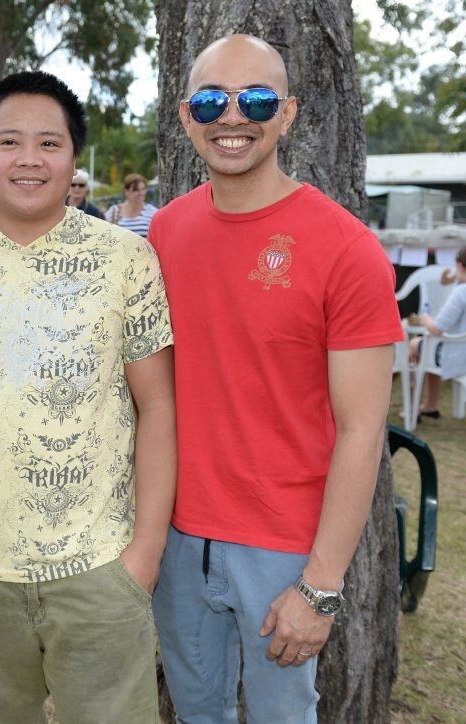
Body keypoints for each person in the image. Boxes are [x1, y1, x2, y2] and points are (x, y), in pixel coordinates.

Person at [0, 71, 176, 723]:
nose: (29, 159)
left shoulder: (125, 259)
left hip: (101, 566)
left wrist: (142, 557)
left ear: (73, 159)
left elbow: (158, 406)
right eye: (10, 141)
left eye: (49, 143)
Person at [148, 34, 404, 722]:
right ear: (185, 116)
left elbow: (360, 430)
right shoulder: (163, 236)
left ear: (287, 114)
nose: (233, 116)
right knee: (197, 714)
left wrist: (320, 587)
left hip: (285, 546)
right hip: (176, 538)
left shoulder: (346, 248)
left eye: (255, 99)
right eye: (211, 100)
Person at [408, 245, 466, 418]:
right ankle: (430, 404)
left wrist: (425, 319)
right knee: (428, 347)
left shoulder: (461, 292)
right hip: (460, 348)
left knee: (415, 345)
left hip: (458, 354)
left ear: (461, 266)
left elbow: (437, 328)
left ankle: (411, 406)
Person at [105, 173, 157, 237]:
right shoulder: (113, 212)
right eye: (136, 190)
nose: (141, 193)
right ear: (126, 191)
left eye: (143, 189)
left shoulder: (153, 213)